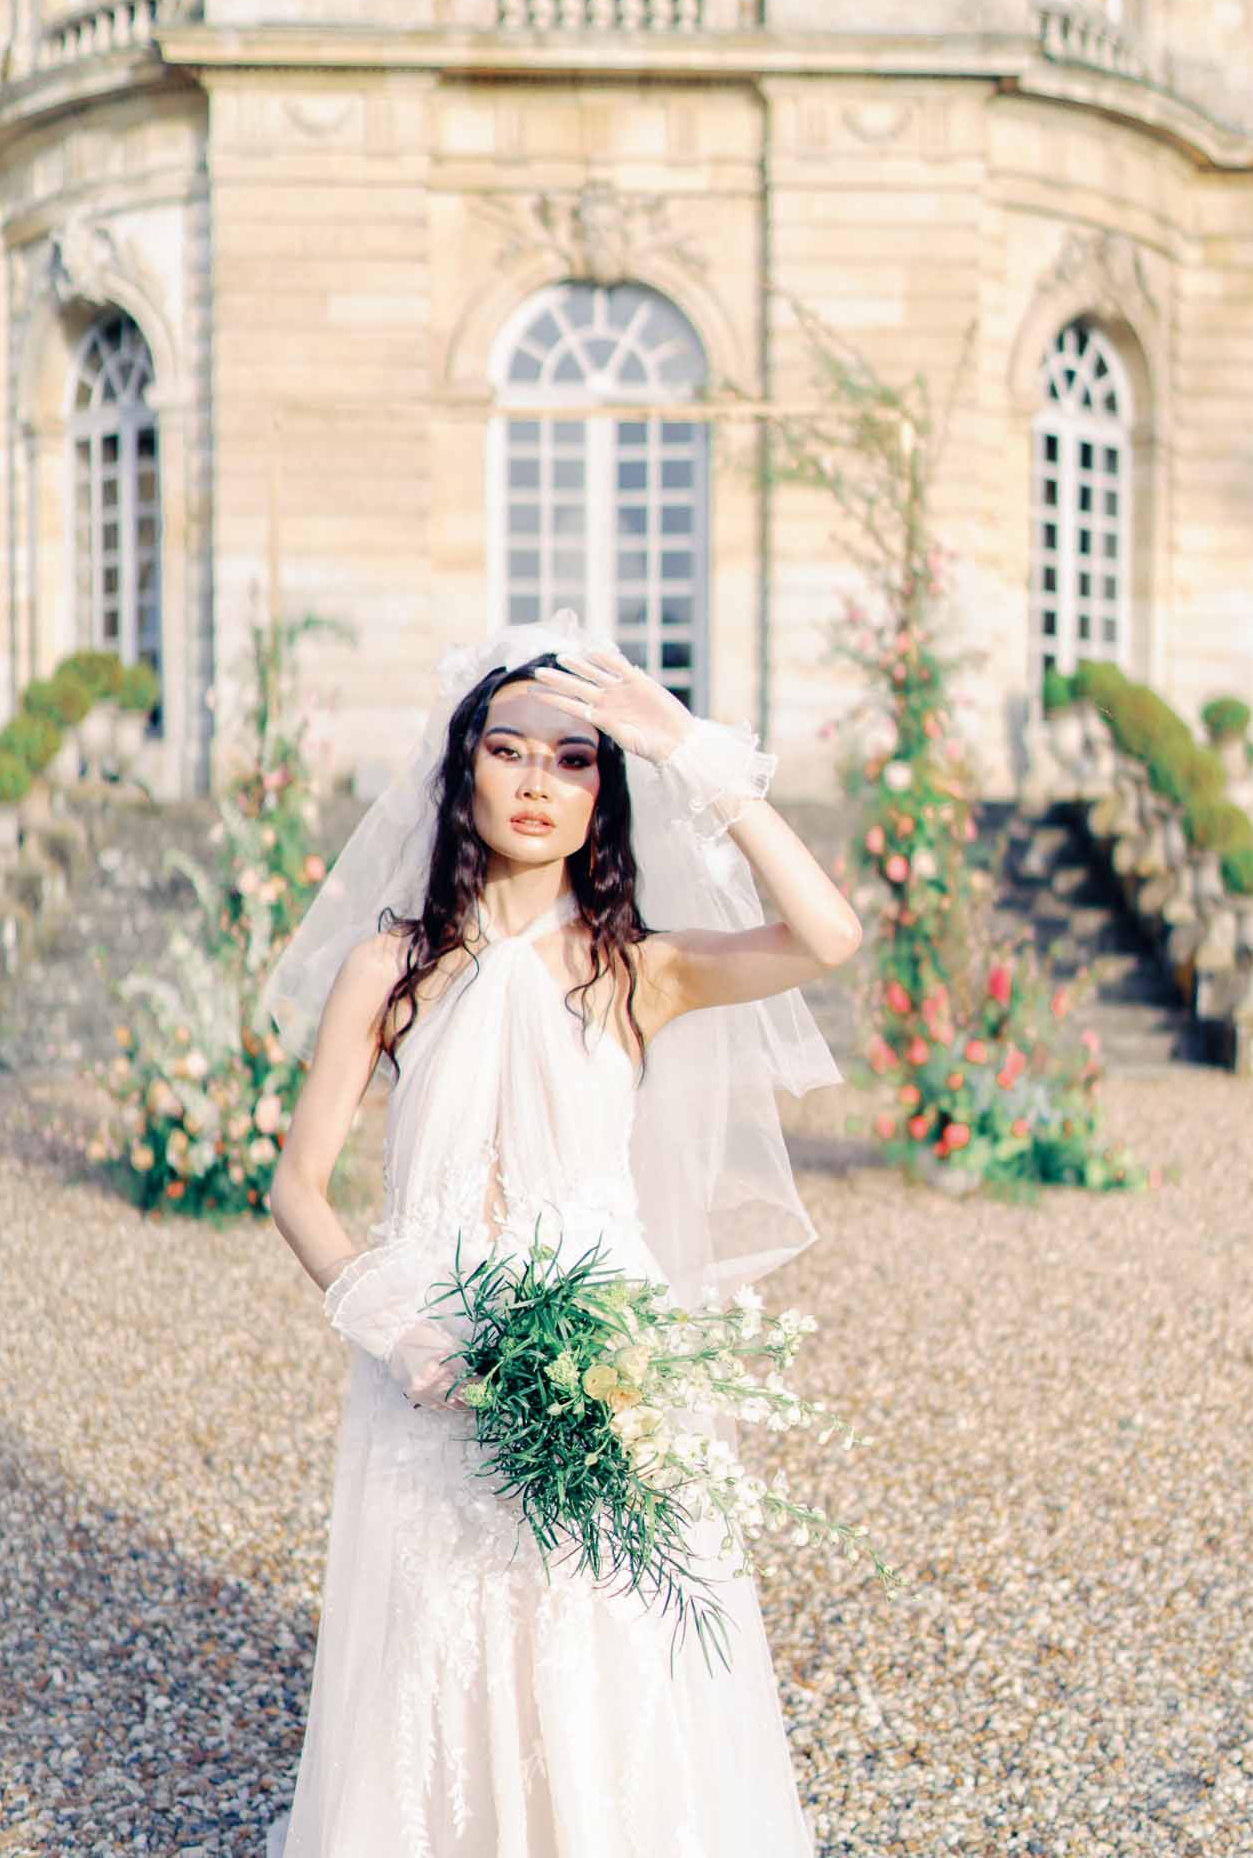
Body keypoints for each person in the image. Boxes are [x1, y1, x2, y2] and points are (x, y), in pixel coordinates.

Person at [261, 615, 862, 1857]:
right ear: (464, 766)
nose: (537, 781)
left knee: (602, 1642)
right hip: (427, 1361)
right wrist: (403, 1334)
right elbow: (299, 1187)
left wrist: (691, 749)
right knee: (437, 1646)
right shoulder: (390, 961)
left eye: (575, 759)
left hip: (605, 1354)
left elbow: (828, 935)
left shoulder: (643, 967)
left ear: (606, 791)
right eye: (509, 748)